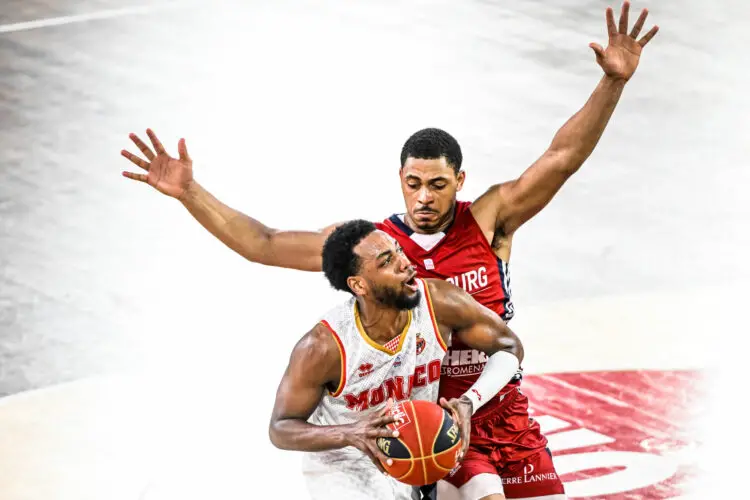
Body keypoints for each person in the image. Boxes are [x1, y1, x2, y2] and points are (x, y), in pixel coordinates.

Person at [120, 3, 658, 498]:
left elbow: (561, 158)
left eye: (439, 185)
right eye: (414, 183)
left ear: (460, 180)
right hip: (431, 424)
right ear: (399, 180)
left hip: (498, 408)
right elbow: (262, 244)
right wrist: (190, 193)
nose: (425, 197)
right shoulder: (372, 245)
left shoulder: (490, 218)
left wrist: (611, 82)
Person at [268, 220, 524, 500]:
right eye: (387, 261)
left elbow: (509, 346)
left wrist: (469, 401)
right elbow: (281, 428)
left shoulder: (438, 302)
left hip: (422, 447)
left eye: (399, 250)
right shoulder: (324, 346)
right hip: (346, 468)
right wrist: (351, 432)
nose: (405, 263)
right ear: (359, 285)